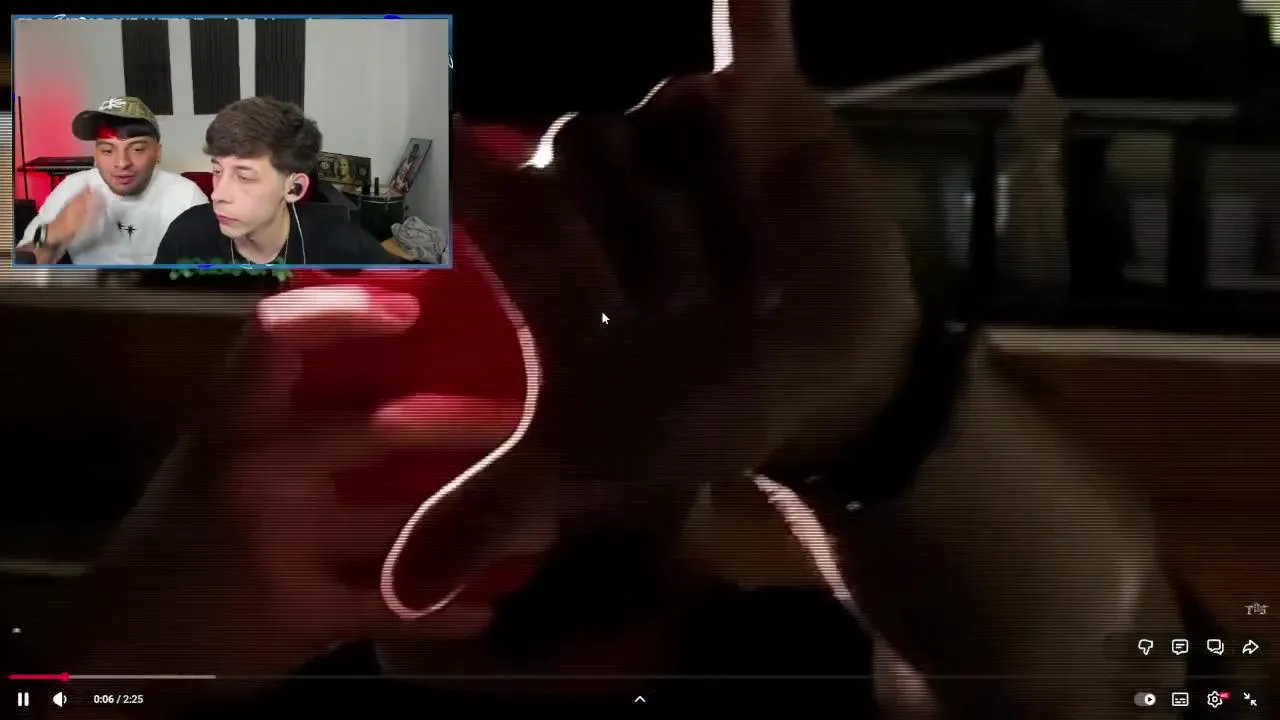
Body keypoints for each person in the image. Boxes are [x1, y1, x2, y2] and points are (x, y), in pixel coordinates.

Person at [23, 2, 1186, 717]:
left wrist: (881, 411)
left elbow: (1114, 680)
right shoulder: (168, 677)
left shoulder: (859, 658)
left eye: (588, 273)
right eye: (439, 252)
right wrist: (103, 649)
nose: (528, 316)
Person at [153, 98, 400, 266]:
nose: (218, 194)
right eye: (217, 171)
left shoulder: (345, 248)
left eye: (244, 177)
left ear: (294, 188)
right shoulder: (187, 236)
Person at [15, 96, 208, 265]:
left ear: (158, 152)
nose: (122, 163)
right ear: (96, 154)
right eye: (107, 150)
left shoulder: (186, 196)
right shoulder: (73, 189)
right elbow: (22, 271)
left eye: (137, 149)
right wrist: (52, 234)